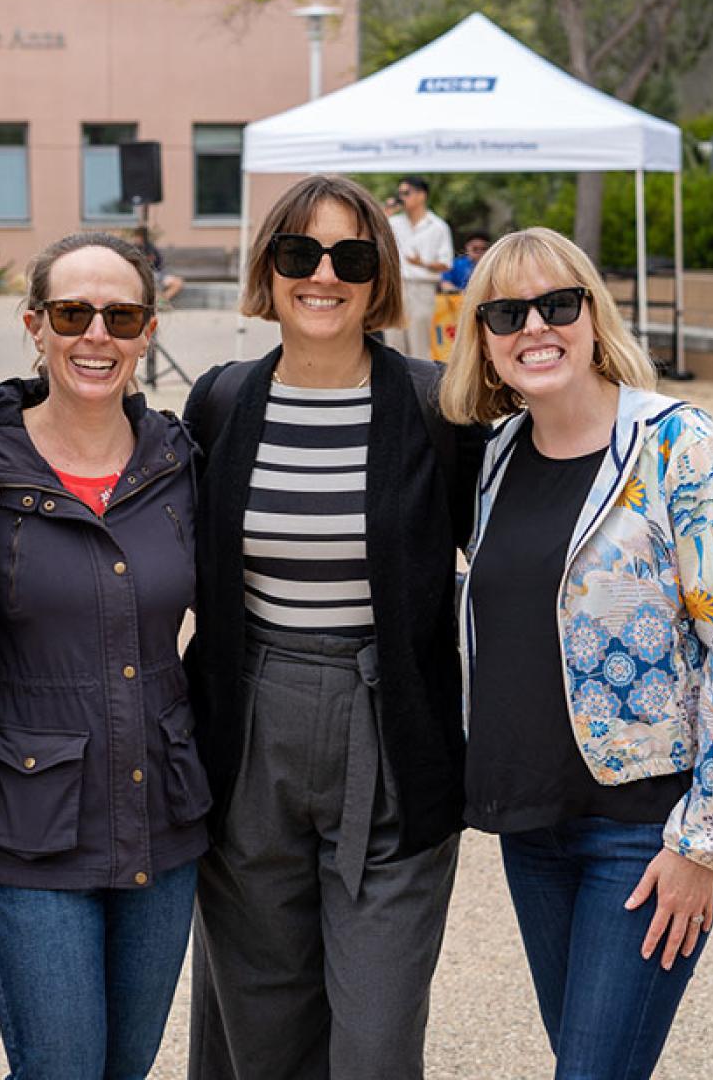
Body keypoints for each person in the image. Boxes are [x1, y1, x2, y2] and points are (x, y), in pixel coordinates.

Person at [440, 227, 713, 1080]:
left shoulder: (679, 445)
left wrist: (705, 845)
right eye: (507, 312)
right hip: (531, 825)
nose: (534, 328)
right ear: (480, 336)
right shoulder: (497, 458)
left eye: (558, 304)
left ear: (594, 316)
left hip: (644, 834)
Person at [183, 174, 482, 1079]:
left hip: (393, 728)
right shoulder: (221, 402)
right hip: (249, 728)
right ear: (268, 271)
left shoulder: (438, 408)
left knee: (377, 1037)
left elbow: (512, 562)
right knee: (260, 1022)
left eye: (350, 255)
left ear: (380, 274)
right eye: (297, 253)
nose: (323, 274)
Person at [0, 232, 209, 1078]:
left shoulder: (179, 461)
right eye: (72, 312)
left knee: (125, 1070)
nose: (95, 334)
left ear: (146, 331)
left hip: (162, 820)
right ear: (35, 325)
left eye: (121, 315)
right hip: (30, 828)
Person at [387, 176, 452, 357]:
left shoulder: (438, 226)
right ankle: (394, 383)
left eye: (406, 193)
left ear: (421, 195)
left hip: (422, 287)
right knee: (393, 341)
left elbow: (446, 264)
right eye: (399, 193)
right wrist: (387, 212)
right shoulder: (393, 223)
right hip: (396, 285)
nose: (402, 198)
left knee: (419, 342)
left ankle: (419, 384)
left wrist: (421, 263)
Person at [134, 224, 184, 304]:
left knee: (178, 283)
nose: (135, 239)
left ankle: (161, 301)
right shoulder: (134, 250)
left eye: (136, 236)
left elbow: (157, 264)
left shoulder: (151, 248)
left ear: (141, 237)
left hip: (158, 275)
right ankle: (159, 302)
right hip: (147, 277)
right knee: (152, 286)